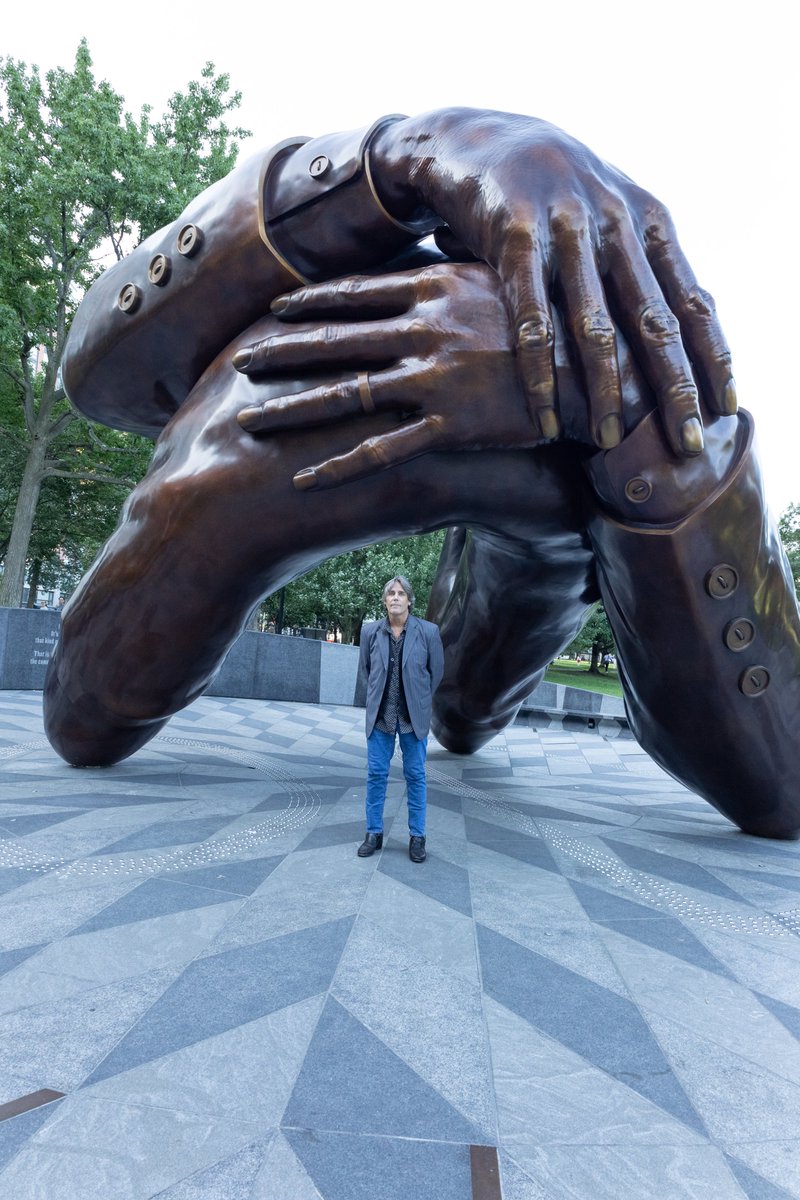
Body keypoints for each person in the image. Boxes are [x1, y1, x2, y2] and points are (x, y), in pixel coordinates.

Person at [42, 108, 800, 840]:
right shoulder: (350, 287)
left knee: (470, 696)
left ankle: (557, 519)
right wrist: (393, 156)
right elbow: (94, 371)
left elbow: (784, 780)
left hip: (536, 511)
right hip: (475, 490)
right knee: (467, 693)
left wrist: (635, 409)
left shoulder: (558, 471)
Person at [357, 576, 444, 862]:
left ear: (409, 600)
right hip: (381, 717)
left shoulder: (428, 632)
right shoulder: (370, 632)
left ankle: (417, 837)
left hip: (412, 718)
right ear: (385, 601)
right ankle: (373, 833)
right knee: (376, 775)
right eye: (390, 594)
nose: (395, 597)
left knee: (416, 776)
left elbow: (436, 672)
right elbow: (366, 672)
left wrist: (419, 701)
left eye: (401, 593)